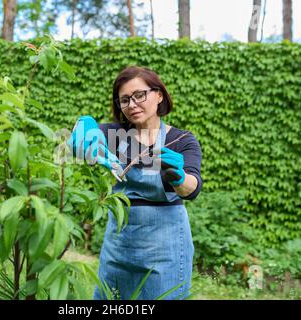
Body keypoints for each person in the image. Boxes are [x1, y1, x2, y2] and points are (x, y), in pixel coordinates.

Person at [68, 66, 202, 300]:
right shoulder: (114, 134)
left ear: (159, 95)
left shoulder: (181, 140)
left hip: (166, 246)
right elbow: (78, 142)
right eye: (125, 100)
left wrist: (179, 178)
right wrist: (84, 126)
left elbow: (192, 187)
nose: (132, 104)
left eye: (139, 95)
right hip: (119, 243)